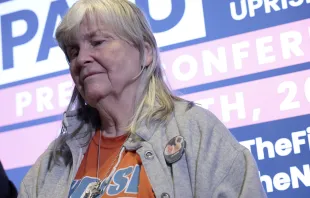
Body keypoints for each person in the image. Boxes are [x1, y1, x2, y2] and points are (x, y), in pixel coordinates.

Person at [18, 0, 267, 197]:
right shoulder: (55, 160)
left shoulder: (195, 131)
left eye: (97, 42)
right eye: (73, 52)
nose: (81, 59)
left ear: (145, 52)